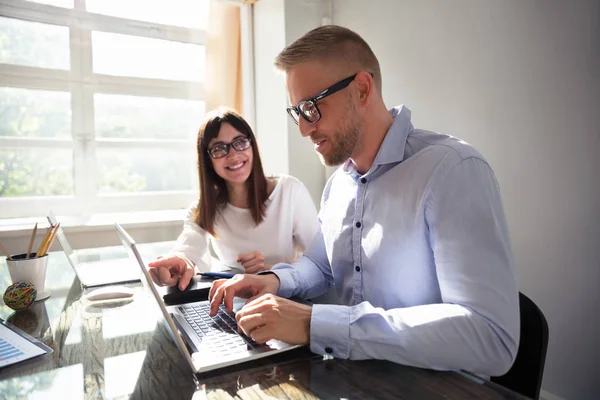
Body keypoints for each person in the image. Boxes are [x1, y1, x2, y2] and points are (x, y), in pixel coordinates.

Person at [208, 25, 520, 377]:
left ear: (361, 89)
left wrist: (315, 324)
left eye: (311, 107)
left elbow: (491, 338)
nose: (304, 129)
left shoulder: (452, 171)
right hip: (352, 376)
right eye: (297, 111)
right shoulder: (339, 184)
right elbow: (323, 266)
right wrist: (274, 282)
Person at [148, 108, 319, 291]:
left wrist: (270, 272)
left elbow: (319, 266)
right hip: (230, 303)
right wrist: (178, 263)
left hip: (285, 301)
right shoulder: (205, 207)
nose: (232, 155)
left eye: (240, 142)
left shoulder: (290, 192)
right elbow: (189, 247)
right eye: (219, 148)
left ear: (252, 145)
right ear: (208, 160)